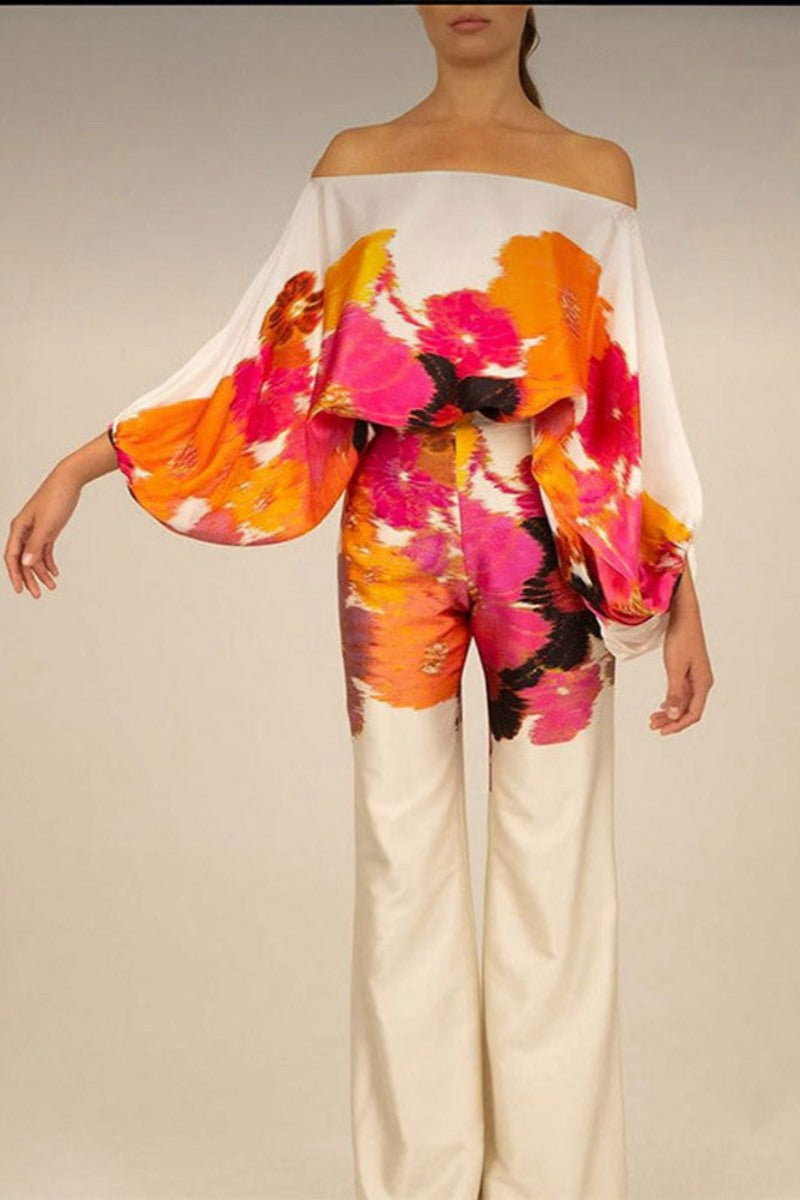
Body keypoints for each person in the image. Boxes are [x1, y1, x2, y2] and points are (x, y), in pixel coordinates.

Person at [5, 5, 714, 1198]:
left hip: (544, 533)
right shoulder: (356, 163)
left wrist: (680, 593)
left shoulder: (595, 173)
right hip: (391, 532)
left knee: (555, 861)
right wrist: (87, 462)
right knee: (401, 854)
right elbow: (260, 352)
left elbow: (620, 395)